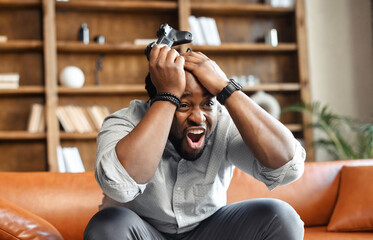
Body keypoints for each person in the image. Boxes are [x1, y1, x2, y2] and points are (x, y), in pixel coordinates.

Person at [84, 44, 306, 240]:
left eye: (207, 104)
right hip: (146, 231)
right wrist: (169, 96)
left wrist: (226, 88)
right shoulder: (124, 122)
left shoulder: (224, 121)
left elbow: (288, 168)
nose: (198, 117)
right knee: (107, 226)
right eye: (184, 105)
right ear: (155, 102)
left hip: (211, 229)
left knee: (281, 218)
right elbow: (119, 186)